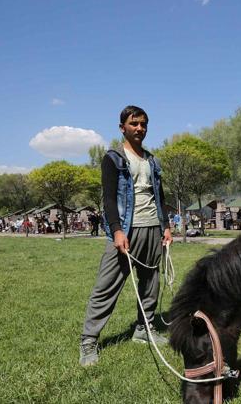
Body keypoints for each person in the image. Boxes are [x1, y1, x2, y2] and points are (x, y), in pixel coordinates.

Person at [79, 105, 172, 367]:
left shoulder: (152, 161)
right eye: (134, 124)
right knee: (106, 286)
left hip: (153, 228)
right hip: (126, 232)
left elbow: (160, 196)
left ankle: (144, 329)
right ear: (123, 127)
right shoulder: (113, 158)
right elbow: (108, 198)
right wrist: (117, 230)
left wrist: (165, 226)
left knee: (151, 283)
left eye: (143, 124)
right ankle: (88, 340)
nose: (139, 128)